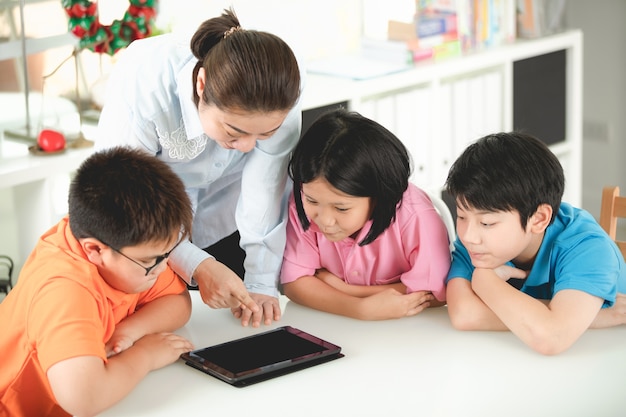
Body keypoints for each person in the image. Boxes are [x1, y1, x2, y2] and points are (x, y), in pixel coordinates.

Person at [95, 8, 303, 327]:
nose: (249, 146)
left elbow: (266, 189)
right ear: (202, 84)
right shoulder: (146, 82)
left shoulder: (279, 94)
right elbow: (125, 197)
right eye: (235, 131)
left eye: (264, 134)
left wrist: (261, 281)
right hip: (145, 224)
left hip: (229, 213)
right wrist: (196, 265)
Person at [0, 147, 195, 417]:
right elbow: (84, 398)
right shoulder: (63, 289)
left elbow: (178, 302)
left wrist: (129, 331)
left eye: (167, 255)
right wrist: (146, 355)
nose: (163, 268)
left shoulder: (123, 251)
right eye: (152, 260)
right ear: (95, 250)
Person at [444, 131, 626, 355]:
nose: (467, 235)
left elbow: (551, 338)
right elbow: (464, 315)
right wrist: (592, 317)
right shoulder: (478, 244)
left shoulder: (587, 247)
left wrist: (483, 280)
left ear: (538, 219)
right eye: (461, 216)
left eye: (487, 223)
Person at [280, 108, 451, 320]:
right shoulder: (301, 202)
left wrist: (343, 289)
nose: (324, 220)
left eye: (341, 208)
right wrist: (359, 309)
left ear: (378, 195)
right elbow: (294, 284)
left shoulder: (416, 216)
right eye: (312, 201)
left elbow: (434, 294)